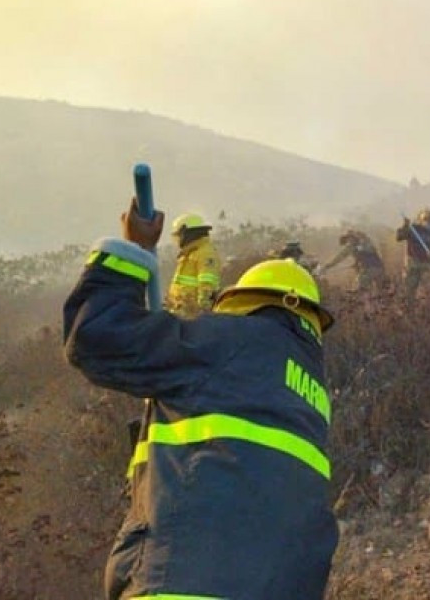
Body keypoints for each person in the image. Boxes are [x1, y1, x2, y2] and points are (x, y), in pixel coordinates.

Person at [62, 199, 338, 600]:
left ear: (242, 304)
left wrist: (131, 254)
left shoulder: (231, 341)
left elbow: (94, 337)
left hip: (184, 583)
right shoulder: (312, 394)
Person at [164, 212, 221, 317]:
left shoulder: (205, 253)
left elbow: (207, 286)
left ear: (187, 234)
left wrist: (202, 314)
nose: (177, 240)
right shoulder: (190, 254)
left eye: (178, 235)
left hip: (192, 318)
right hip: (182, 314)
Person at [396, 209, 430, 304]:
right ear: (422, 220)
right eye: (429, 222)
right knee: (409, 290)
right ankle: (409, 311)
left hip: (426, 265)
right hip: (412, 264)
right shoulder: (413, 229)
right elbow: (399, 237)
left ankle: (425, 311)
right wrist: (405, 226)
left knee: (428, 290)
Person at [320, 229, 386, 294]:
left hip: (376, 268)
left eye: (352, 238)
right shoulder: (351, 247)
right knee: (365, 282)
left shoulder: (365, 244)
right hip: (369, 269)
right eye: (349, 239)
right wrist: (327, 266)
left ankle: (363, 295)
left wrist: (358, 259)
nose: (350, 240)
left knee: (363, 280)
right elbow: (338, 259)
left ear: (355, 238)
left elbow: (369, 251)